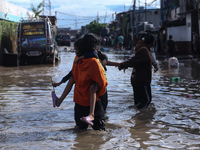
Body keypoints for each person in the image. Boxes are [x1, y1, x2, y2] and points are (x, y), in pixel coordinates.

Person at [56, 33, 108, 131]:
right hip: (93, 103)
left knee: (80, 131)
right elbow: (102, 83)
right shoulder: (94, 62)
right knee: (100, 133)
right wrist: (99, 94)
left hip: (79, 103)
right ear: (95, 46)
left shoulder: (77, 60)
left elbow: (73, 78)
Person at [117, 31, 155, 109]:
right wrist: (122, 65)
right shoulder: (144, 50)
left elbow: (134, 61)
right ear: (152, 42)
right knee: (146, 101)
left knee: (139, 102)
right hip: (142, 80)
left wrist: (124, 65)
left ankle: (136, 117)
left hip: (138, 80)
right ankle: (139, 118)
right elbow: (132, 61)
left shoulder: (142, 48)